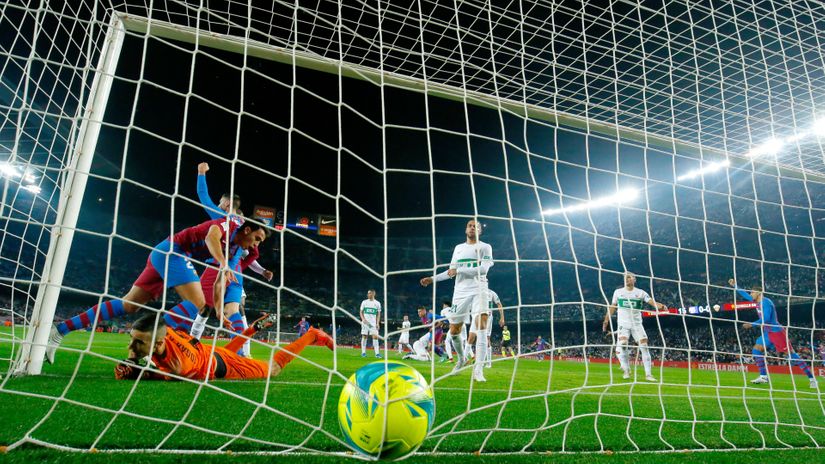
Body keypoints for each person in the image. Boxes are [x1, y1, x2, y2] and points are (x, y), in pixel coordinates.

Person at [47, 217, 268, 364]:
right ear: (247, 229)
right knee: (199, 306)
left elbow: (219, 283)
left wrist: (220, 311)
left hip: (164, 253)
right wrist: (222, 262)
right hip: (174, 252)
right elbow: (211, 236)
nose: (256, 245)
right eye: (257, 238)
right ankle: (156, 356)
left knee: (129, 305)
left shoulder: (236, 249)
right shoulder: (230, 224)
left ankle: (60, 330)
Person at [189, 162, 274, 357]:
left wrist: (201, 173)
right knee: (234, 311)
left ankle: (191, 343)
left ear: (226, 205)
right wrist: (261, 271)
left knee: (202, 307)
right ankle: (245, 354)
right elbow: (250, 252)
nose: (218, 205)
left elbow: (203, 196)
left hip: (218, 267)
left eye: (220, 202)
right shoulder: (247, 225)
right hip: (237, 273)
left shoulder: (223, 217)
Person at [114, 312, 333, 381]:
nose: (130, 345)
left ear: (159, 342)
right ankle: (252, 329)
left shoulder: (178, 365)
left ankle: (313, 335)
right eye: (132, 339)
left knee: (273, 369)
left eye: (138, 342)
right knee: (225, 351)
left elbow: (159, 374)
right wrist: (134, 357)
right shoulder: (162, 329)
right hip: (209, 351)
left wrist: (137, 371)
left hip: (224, 364)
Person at [420, 220, 493, 381]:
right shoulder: (458, 248)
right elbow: (451, 272)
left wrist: (459, 269)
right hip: (460, 292)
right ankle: (461, 359)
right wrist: (432, 279)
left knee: (482, 322)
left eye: (476, 226)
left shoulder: (485, 247)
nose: (472, 227)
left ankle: (478, 369)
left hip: (479, 287)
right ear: (466, 229)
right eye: (470, 225)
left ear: (480, 231)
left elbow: (483, 269)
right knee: (454, 331)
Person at [729, 279, 817, 388]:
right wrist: (735, 285)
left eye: (752, 292)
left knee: (792, 356)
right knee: (756, 349)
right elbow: (745, 294)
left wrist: (751, 324)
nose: (750, 294)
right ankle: (763, 376)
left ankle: (812, 379)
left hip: (777, 333)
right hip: (768, 332)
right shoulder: (757, 302)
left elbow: (765, 319)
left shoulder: (766, 303)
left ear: (759, 293)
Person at [602, 272, 667, 382]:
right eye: (625, 277)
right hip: (623, 324)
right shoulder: (618, 292)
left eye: (629, 277)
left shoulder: (640, 293)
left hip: (637, 324)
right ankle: (627, 370)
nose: (627, 278)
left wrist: (660, 306)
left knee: (644, 346)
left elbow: (651, 302)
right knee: (622, 344)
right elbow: (612, 307)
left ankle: (648, 375)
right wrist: (606, 319)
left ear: (634, 280)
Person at [467, 288, 505, 370]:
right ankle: (466, 359)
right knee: (472, 337)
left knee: (486, 338)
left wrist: (502, 318)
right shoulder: (474, 291)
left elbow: (499, 304)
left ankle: (488, 363)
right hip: (476, 316)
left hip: (487, 317)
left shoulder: (491, 292)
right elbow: (470, 306)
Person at [360, 289, 382, 358]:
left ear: (373, 294)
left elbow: (378, 314)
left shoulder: (377, 303)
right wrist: (363, 319)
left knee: (375, 337)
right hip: (365, 323)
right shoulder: (364, 302)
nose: (368, 294)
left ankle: (377, 354)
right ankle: (363, 353)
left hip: (373, 323)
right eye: (368, 293)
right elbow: (361, 312)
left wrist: (377, 323)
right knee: (364, 336)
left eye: (369, 293)